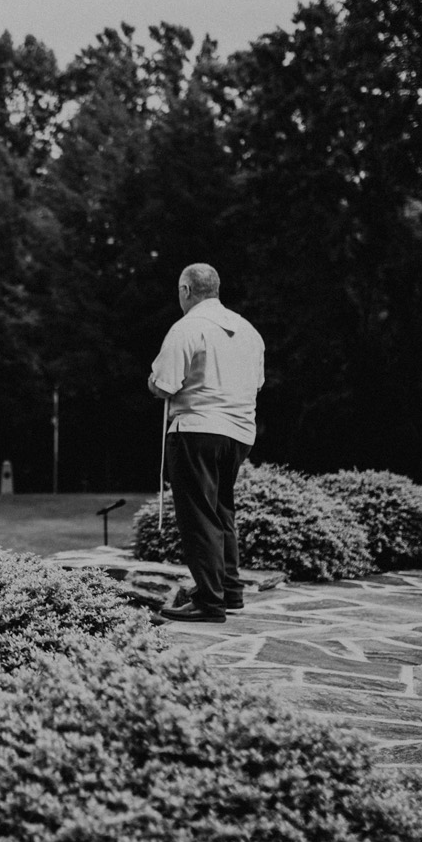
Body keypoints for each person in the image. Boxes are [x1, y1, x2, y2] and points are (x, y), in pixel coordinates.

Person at [148, 263, 265, 624]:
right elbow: (257, 384)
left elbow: (165, 385)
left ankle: (208, 601)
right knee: (221, 510)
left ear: (186, 290)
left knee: (199, 516)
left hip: (197, 429)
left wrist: (152, 380)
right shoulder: (249, 331)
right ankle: (230, 591)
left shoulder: (187, 328)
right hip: (240, 433)